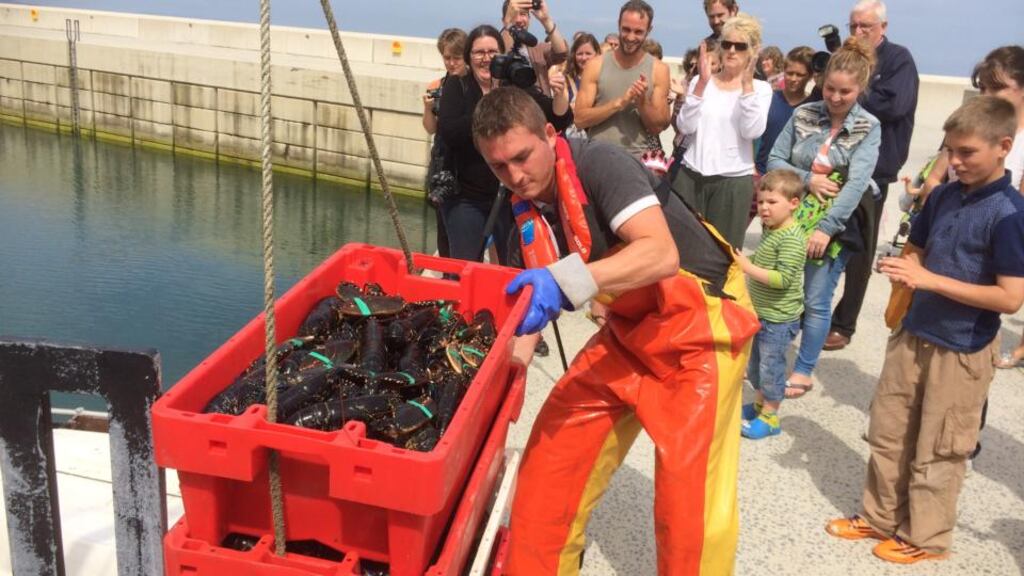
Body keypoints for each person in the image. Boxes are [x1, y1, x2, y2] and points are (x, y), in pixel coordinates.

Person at [472, 86, 758, 575]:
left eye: (522, 157)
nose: (516, 176)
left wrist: (564, 284)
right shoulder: (522, 208)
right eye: (500, 166)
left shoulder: (601, 164)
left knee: (689, 506)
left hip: (701, 329)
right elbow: (529, 309)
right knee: (548, 462)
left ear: (548, 133)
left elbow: (660, 254)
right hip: (629, 329)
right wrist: (506, 382)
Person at [825, 95, 1024, 565]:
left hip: (962, 347)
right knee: (889, 429)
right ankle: (878, 516)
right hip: (914, 332)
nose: (954, 162)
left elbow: (1011, 297)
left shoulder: (1010, 215)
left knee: (940, 445)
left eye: (966, 153)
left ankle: (926, 537)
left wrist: (930, 279)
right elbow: (916, 247)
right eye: (950, 152)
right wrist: (904, 264)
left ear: (1003, 147)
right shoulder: (945, 194)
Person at [766, 37, 881, 398]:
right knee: (780, 286)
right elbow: (773, 160)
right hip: (790, 219)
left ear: (859, 88)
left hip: (835, 225)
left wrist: (826, 230)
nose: (834, 97)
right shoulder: (803, 115)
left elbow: (857, 183)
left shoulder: (869, 127)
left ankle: (803, 368)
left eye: (845, 92)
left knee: (816, 297)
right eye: (830, 88)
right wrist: (807, 179)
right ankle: (772, 347)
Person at [824, 0, 919, 351]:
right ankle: (812, 311)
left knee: (860, 249)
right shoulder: (845, 59)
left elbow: (893, 105)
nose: (858, 33)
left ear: (883, 27)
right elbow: (827, 96)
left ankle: (844, 324)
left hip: (874, 169)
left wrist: (852, 93)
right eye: (853, 26)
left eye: (866, 26)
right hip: (835, 162)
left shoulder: (898, 59)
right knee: (821, 235)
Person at [437, 25, 572, 264]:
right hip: (466, 196)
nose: (486, 58)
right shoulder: (457, 86)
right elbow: (449, 131)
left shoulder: (515, 86)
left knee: (513, 266)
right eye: (479, 52)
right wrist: (492, 109)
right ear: (469, 56)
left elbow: (559, 117)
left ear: (501, 53)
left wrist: (560, 94)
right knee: (464, 266)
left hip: (510, 196)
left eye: (492, 51)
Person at [675, 13, 772, 249]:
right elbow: (684, 127)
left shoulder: (761, 89)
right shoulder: (702, 80)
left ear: (752, 50)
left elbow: (752, 131)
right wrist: (700, 85)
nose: (731, 51)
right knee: (683, 252)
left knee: (724, 257)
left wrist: (747, 86)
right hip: (690, 176)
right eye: (727, 44)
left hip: (732, 183)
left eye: (740, 46)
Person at [733, 169, 807, 439]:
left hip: (779, 319)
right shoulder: (772, 229)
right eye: (761, 201)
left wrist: (747, 267)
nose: (764, 208)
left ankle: (771, 416)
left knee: (771, 367)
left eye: (772, 202)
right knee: (756, 366)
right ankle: (758, 404)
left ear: (794, 203)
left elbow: (783, 279)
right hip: (762, 314)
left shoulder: (791, 238)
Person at [572, 0, 671, 160]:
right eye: (626, 29)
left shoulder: (659, 70)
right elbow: (580, 119)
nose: (631, 37)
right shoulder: (595, 65)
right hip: (597, 156)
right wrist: (618, 104)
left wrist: (642, 103)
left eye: (638, 32)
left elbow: (657, 128)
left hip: (637, 161)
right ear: (618, 25)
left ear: (649, 30)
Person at [423, 28, 467, 259]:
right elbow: (431, 128)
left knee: (464, 223)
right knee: (443, 223)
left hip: (466, 164)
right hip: (441, 160)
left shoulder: (474, 85)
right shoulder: (436, 86)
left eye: (456, 57)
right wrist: (428, 109)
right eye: (446, 58)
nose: (451, 63)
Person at [754, 46, 814, 176]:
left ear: (809, 76)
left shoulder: (812, 107)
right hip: (762, 174)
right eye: (789, 73)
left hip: (796, 178)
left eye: (799, 75)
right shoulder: (768, 98)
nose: (793, 79)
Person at [500, 0, 568, 96]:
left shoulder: (537, 49)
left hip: (538, 108)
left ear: (529, 18)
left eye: (523, 14)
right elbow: (506, 53)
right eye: (514, 15)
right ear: (503, 20)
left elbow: (561, 54)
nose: (519, 20)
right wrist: (509, 24)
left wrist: (546, 20)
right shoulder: (494, 48)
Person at [562, 32, 601, 106]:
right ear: (574, 55)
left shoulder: (605, 80)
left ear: (596, 54)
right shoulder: (566, 81)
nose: (584, 58)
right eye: (580, 54)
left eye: (588, 53)